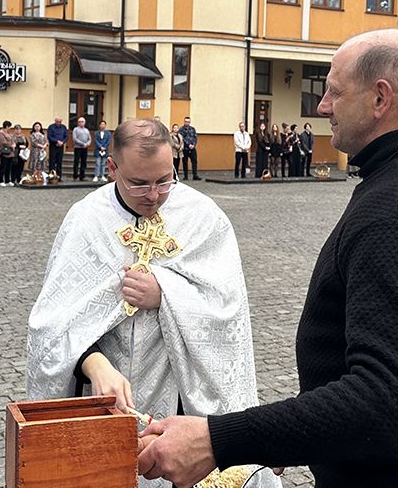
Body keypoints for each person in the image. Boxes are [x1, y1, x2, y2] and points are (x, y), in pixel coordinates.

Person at [137, 29, 398, 488]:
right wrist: (288, 436)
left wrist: (218, 441)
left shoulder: (395, 212)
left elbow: (384, 400)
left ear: (380, 98)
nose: (323, 106)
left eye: (335, 91)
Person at [27, 119, 277, 488]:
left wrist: (164, 293)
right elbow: (53, 325)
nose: (154, 195)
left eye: (164, 179)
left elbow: (228, 312)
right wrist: (94, 365)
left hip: (185, 404)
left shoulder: (204, 219)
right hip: (111, 404)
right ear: (112, 169)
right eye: (139, 183)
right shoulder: (86, 221)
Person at [0, 121, 17, 187]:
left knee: (8, 167)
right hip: (4, 152)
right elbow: (3, 142)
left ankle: (7, 180)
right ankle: (1, 180)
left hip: (10, 153)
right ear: (7, 126)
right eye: (10, 127)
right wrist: (11, 145)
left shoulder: (8, 133)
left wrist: (14, 144)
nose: (10, 128)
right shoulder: (1, 133)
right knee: (3, 167)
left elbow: (12, 140)